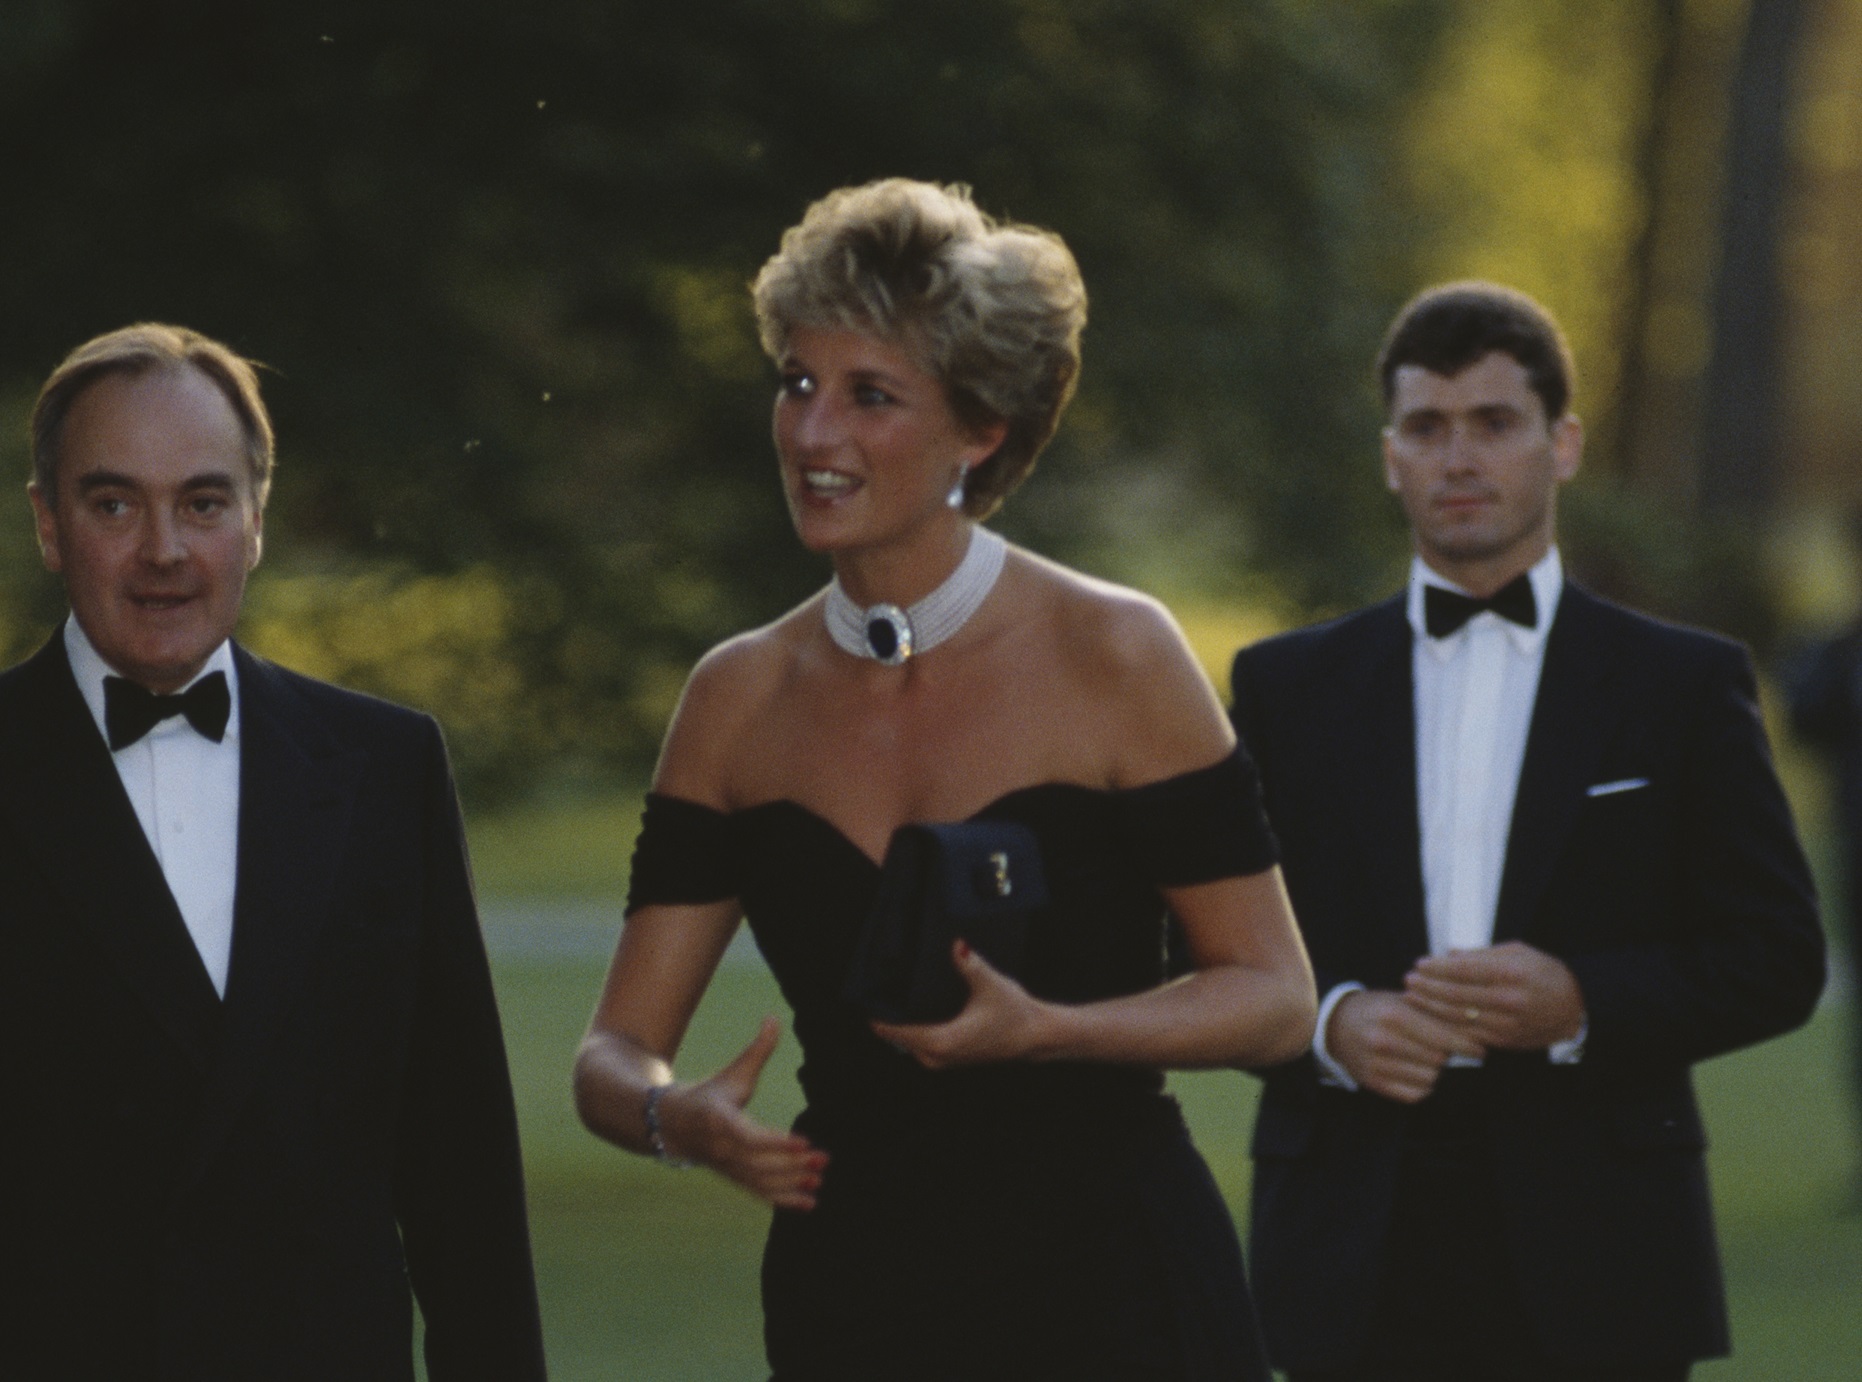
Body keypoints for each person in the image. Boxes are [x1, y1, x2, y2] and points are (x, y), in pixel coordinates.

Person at [573, 179, 1317, 1381]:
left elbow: (1275, 997)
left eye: (869, 394)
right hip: (854, 1298)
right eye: (797, 382)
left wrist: (1053, 1031)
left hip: (1116, 1289)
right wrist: (676, 1117)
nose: (812, 433)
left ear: (980, 430)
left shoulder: (1117, 653)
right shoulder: (734, 698)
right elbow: (613, 1051)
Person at [1229, 282, 1826, 1382]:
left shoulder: (1682, 685)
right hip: (1349, 1235)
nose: (1458, 458)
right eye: (1426, 427)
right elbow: (1201, 943)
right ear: (1389, 457)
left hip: (1601, 1239)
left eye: (1494, 422)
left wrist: (1581, 1002)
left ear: (1563, 444)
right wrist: (1330, 1022)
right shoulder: (1285, 688)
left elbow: (1777, 956)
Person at [0, 324, 547, 1379]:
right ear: (48, 524)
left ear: (256, 520)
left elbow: (460, 1168)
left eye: (203, 503)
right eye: (114, 504)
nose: (164, 548)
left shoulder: (387, 768)